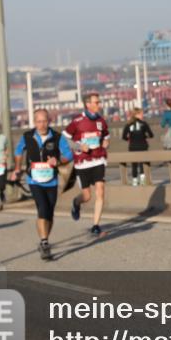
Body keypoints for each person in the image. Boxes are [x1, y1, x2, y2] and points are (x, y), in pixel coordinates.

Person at [13, 109, 74, 261]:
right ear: (35, 122)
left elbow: (69, 155)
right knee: (43, 208)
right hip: (34, 179)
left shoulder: (57, 137)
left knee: (50, 213)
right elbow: (18, 151)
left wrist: (58, 161)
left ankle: (44, 239)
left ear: (49, 121)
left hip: (51, 180)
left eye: (44, 121)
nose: (42, 125)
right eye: (39, 121)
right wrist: (17, 167)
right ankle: (44, 243)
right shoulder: (27, 136)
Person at [65, 92, 110, 237]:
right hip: (82, 162)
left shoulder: (101, 121)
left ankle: (95, 225)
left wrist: (105, 142)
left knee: (101, 190)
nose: (99, 105)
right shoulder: (77, 121)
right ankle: (76, 203)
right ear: (88, 104)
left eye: (99, 102)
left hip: (98, 159)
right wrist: (78, 146)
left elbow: (106, 135)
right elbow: (64, 139)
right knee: (87, 196)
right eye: (96, 102)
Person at [122, 108, 153, 186]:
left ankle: (134, 180)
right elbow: (151, 135)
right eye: (141, 114)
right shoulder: (144, 124)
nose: (142, 115)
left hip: (133, 146)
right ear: (137, 114)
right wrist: (144, 136)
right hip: (143, 146)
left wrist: (130, 139)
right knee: (143, 163)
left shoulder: (128, 124)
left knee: (134, 164)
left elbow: (124, 137)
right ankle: (143, 179)